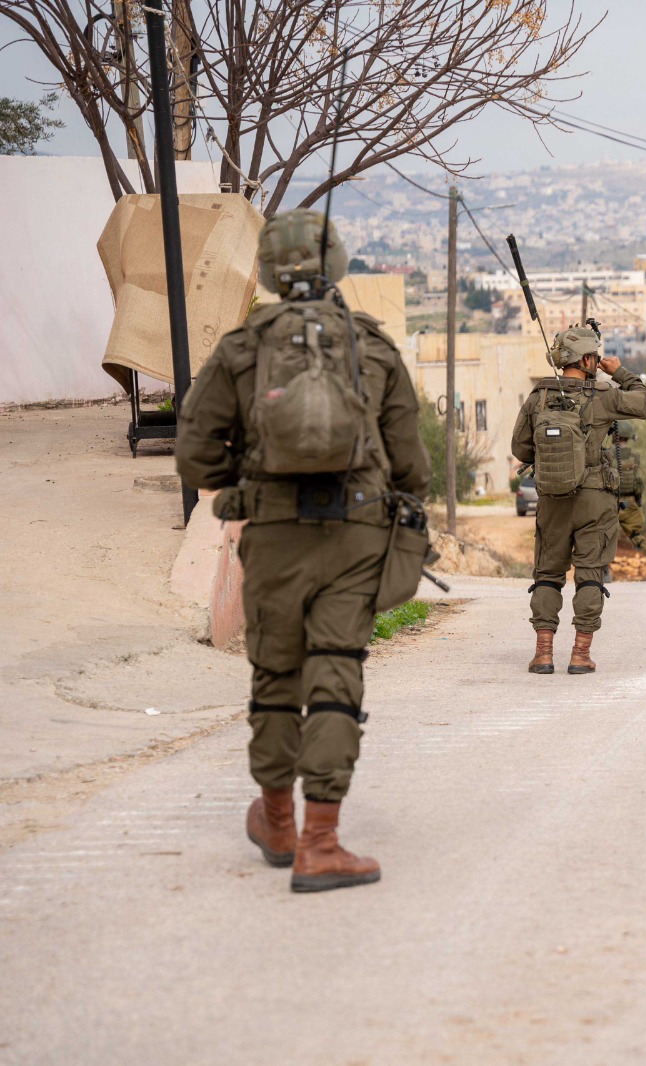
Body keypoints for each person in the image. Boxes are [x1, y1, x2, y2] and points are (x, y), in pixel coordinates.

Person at [176, 209, 430, 892]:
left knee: (275, 679)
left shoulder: (242, 347)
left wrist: (244, 486)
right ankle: (323, 841)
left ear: (267, 270)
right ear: (337, 263)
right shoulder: (369, 346)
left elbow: (195, 454)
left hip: (275, 535)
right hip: (355, 536)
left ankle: (279, 823)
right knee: (335, 676)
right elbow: (413, 467)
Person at [512, 326, 646, 674]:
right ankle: (580, 654)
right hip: (595, 500)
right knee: (590, 573)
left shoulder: (539, 397)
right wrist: (619, 372)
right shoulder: (605, 394)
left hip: (552, 498)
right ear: (589, 359)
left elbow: (519, 448)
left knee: (548, 574)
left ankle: (543, 653)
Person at [611, 420, 646, 582]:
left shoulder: (607, 454)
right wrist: (639, 500)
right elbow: (637, 484)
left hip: (611, 502)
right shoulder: (635, 457)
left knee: (602, 536)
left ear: (614, 436)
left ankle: (603, 571)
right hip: (631, 502)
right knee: (636, 535)